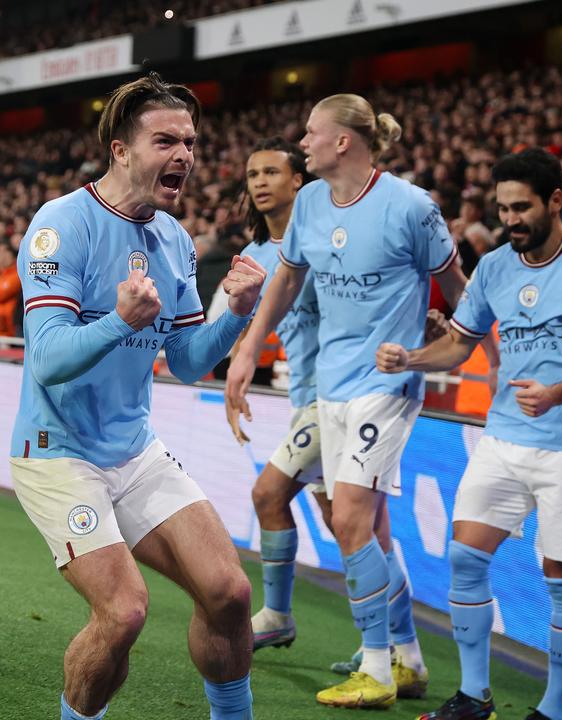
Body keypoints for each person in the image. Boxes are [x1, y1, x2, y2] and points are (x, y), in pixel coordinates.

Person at [9, 73, 267, 720]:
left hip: (133, 451)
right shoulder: (60, 225)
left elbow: (184, 361)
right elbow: (46, 358)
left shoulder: (173, 239)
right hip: (57, 453)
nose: (183, 154)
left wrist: (236, 313)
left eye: (190, 141)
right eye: (166, 140)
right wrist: (120, 322)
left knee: (230, 593)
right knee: (123, 611)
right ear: (121, 150)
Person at [226, 93, 468, 709]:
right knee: (365, 525)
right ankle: (407, 659)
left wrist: (454, 335)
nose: (302, 143)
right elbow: (287, 278)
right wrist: (251, 348)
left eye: (311, 133)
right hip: (327, 388)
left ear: (342, 142)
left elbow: (461, 287)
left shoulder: (412, 207)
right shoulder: (310, 202)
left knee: (351, 519)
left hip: (386, 387)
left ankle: (378, 672)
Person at [376, 148, 562, 720]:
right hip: (503, 439)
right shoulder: (493, 266)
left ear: (555, 201)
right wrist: (411, 359)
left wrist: (558, 392)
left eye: (522, 208)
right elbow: (461, 343)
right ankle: (473, 696)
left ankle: (554, 710)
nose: (511, 219)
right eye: (504, 209)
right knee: (465, 558)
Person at [222, 137, 333, 651]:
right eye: (253, 174)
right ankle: (398, 651)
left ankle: (278, 614)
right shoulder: (253, 255)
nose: (260, 182)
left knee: (268, 494)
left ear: (299, 181)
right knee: (348, 524)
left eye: (272, 172)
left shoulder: (330, 235)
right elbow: (248, 324)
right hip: (305, 397)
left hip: (340, 395)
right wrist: (236, 372)